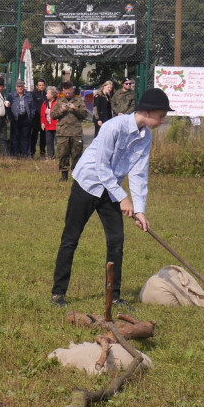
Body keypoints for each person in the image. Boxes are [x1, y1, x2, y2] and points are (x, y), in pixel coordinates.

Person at [50, 87, 173, 308]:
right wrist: (124, 199)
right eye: (161, 116)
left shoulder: (145, 137)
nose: (162, 121)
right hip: (87, 184)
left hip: (111, 190)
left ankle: (114, 296)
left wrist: (140, 210)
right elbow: (101, 167)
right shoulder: (113, 127)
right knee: (71, 238)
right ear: (148, 111)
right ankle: (58, 294)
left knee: (116, 241)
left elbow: (138, 173)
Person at [51, 82, 89, 181]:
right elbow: (53, 115)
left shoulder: (79, 100)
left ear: (72, 90)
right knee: (63, 154)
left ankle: (76, 176)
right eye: (65, 92)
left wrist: (75, 108)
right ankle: (64, 175)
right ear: (63, 91)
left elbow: (85, 114)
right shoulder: (59, 101)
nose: (67, 94)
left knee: (77, 154)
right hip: (63, 133)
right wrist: (61, 110)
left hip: (76, 132)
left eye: (69, 92)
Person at [8, 79, 35, 157]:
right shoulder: (11, 95)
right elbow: (8, 107)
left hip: (26, 118)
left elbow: (32, 107)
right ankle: (15, 154)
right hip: (15, 118)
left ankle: (25, 154)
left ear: (24, 87)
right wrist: (10, 117)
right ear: (16, 87)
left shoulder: (29, 95)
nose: (20, 88)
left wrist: (31, 116)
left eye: (21, 86)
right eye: (18, 86)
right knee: (15, 137)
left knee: (26, 137)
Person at [40, 86, 59, 161]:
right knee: (49, 141)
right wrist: (42, 123)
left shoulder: (58, 102)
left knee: (58, 142)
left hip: (56, 125)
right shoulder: (45, 103)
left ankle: (61, 157)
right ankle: (50, 156)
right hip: (48, 125)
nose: (46, 95)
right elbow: (42, 114)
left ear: (52, 94)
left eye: (47, 93)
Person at [30, 79, 47, 157]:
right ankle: (32, 152)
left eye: (42, 85)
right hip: (36, 118)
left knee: (43, 136)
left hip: (45, 118)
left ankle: (42, 152)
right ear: (37, 86)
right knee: (34, 136)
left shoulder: (46, 94)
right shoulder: (33, 94)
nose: (41, 86)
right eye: (40, 85)